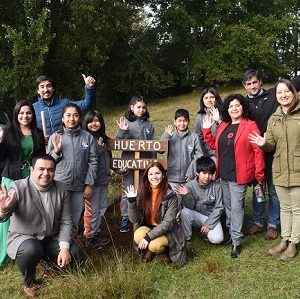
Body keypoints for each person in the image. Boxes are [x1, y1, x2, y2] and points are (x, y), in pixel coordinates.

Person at [0, 154, 83, 297]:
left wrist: (64, 248)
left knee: (75, 253)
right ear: (32, 170)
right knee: (31, 250)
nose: (46, 173)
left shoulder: (61, 188)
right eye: (41, 169)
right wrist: (3, 209)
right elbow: (5, 214)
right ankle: (29, 282)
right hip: (25, 239)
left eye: (50, 170)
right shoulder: (18, 187)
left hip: (51, 236)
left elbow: (66, 221)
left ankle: (48, 266)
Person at [203, 94, 265, 258]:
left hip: (240, 176)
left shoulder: (250, 125)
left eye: (237, 105)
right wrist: (206, 130)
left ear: (243, 107)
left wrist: (259, 175)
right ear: (227, 109)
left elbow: (258, 152)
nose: (234, 108)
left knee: (237, 209)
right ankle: (231, 233)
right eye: (231, 106)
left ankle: (236, 241)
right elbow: (213, 145)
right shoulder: (224, 125)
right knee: (228, 207)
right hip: (224, 174)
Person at [243, 69, 300, 240]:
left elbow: (292, 87)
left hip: (274, 151)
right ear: (244, 86)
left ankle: (273, 224)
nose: (252, 86)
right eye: (248, 84)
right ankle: (258, 221)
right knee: (258, 188)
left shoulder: (274, 96)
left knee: (274, 190)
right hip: (254, 153)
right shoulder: (244, 103)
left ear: (260, 82)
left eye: (255, 82)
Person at [0, 100, 45, 267]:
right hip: (11, 177)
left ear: (32, 114)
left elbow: (41, 159)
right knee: (7, 216)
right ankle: (4, 254)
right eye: (21, 113)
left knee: (27, 214)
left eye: (28, 113)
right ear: (16, 115)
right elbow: (2, 158)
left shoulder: (38, 133)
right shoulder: (8, 132)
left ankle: (25, 249)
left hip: (30, 179)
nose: (25, 116)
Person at [48, 103, 98, 234]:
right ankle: (55, 250)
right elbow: (48, 163)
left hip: (79, 186)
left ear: (80, 118)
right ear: (62, 118)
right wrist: (56, 151)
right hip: (59, 186)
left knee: (74, 219)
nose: (72, 119)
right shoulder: (55, 137)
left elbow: (93, 162)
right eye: (68, 115)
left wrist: (89, 184)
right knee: (56, 218)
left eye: (75, 115)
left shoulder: (87, 137)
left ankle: (70, 248)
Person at [124, 161, 186, 267]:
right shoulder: (143, 192)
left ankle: (160, 251)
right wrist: (131, 201)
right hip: (149, 227)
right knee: (137, 235)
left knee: (154, 245)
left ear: (163, 175)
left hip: (167, 231)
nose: (154, 177)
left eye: (157, 173)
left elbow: (168, 223)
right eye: (151, 174)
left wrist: (148, 238)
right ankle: (156, 250)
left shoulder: (170, 196)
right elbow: (134, 219)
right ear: (147, 176)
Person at [117, 95, 155, 233]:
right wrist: (123, 130)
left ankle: (143, 215)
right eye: (138, 107)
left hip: (145, 163)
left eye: (144, 107)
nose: (141, 110)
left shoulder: (149, 125)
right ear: (132, 108)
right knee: (128, 190)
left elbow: (153, 145)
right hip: (129, 163)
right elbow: (120, 142)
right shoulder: (126, 122)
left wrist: (153, 163)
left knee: (144, 189)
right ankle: (125, 217)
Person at [176, 156, 224, 245]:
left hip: (210, 216)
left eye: (210, 174)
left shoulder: (216, 186)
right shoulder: (189, 186)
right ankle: (187, 237)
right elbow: (190, 206)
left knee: (217, 239)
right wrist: (186, 195)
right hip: (196, 215)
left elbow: (219, 208)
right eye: (204, 173)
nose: (207, 177)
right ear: (197, 173)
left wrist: (209, 224)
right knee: (184, 212)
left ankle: (205, 232)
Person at [82, 110, 112, 250]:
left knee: (101, 208)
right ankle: (89, 236)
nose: (94, 124)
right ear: (86, 123)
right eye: (91, 121)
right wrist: (88, 184)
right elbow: (88, 161)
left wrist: (119, 170)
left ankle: (96, 231)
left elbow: (109, 161)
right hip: (92, 183)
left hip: (103, 180)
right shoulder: (85, 140)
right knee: (91, 210)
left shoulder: (104, 140)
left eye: (97, 120)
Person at [160, 108, 203, 193]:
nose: (182, 123)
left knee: (187, 201)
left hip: (188, 179)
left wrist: (191, 172)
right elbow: (160, 150)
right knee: (174, 201)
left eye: (185, 121)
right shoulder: (170, 135)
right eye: (179, 121)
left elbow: (199, 156)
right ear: (174, 122)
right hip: (172, 178)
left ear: (189, 122)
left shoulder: (194, 137)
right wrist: (166, 136)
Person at [195, 87, 222, 157]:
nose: (209, 100)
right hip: (208, 155)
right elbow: (199, 138)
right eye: (206, 98)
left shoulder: (224, 114)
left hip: (223, 152)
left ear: (216, 98)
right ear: (202, 100)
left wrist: (219, 120)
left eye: (212, 97)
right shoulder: (200, 118)